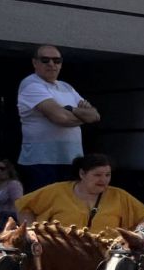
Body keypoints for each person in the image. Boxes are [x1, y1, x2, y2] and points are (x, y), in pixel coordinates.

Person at [17, 44, 100, 191]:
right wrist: (81, 116)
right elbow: (61, 118)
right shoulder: (31, 84)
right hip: (41, 162)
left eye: (57, 60)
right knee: (43, 209)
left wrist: (70, 109)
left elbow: (95, 116)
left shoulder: (67, 87)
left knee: (68, 209)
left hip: (72, 160)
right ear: (35, 63)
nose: (51, 64)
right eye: (45, 60)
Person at [0, 159, 24, 225]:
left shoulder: (13, 184)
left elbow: (18, 203)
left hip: (7, 218)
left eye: (2, 168)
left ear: (8, 170)